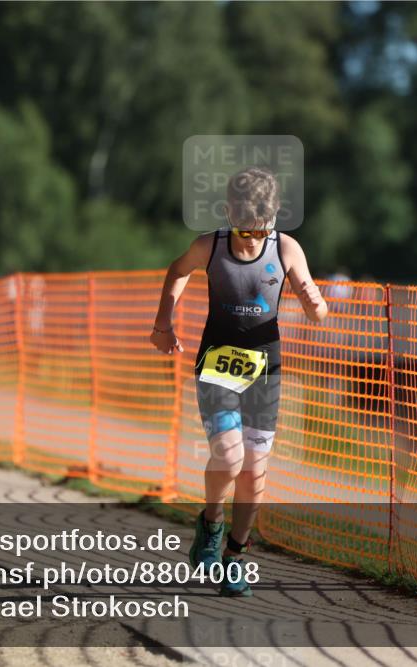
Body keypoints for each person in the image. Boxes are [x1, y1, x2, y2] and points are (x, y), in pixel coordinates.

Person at [150, 167, 328, 597]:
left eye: (258, 229)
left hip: (265, 370)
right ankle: (211, 525)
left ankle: (235, 556)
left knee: (253, 472)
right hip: (218, 363)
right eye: (241, 227)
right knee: (229, 459)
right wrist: (163, 324)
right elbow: (176, 272)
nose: (249, 238)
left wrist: (312, 302)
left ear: (274, 218)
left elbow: (316, 308)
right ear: (227, 212)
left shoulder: (285, 248)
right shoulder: (208, 246)